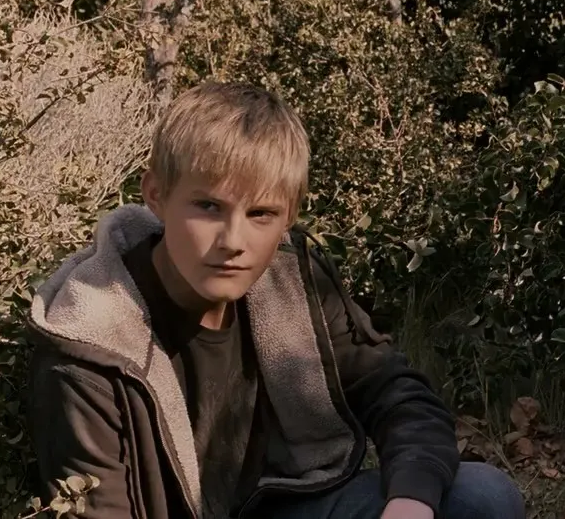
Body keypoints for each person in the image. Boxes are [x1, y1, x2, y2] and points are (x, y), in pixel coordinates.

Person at [26, 81, 526, 519]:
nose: (233, 241)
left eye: (261, 214)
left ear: (289, 215)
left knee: (481, 496)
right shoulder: (90, 341)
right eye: (208, 206)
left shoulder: (292, 281)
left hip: (288, 507)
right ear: (155, 194)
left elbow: (398, 395)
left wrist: (410, 504)